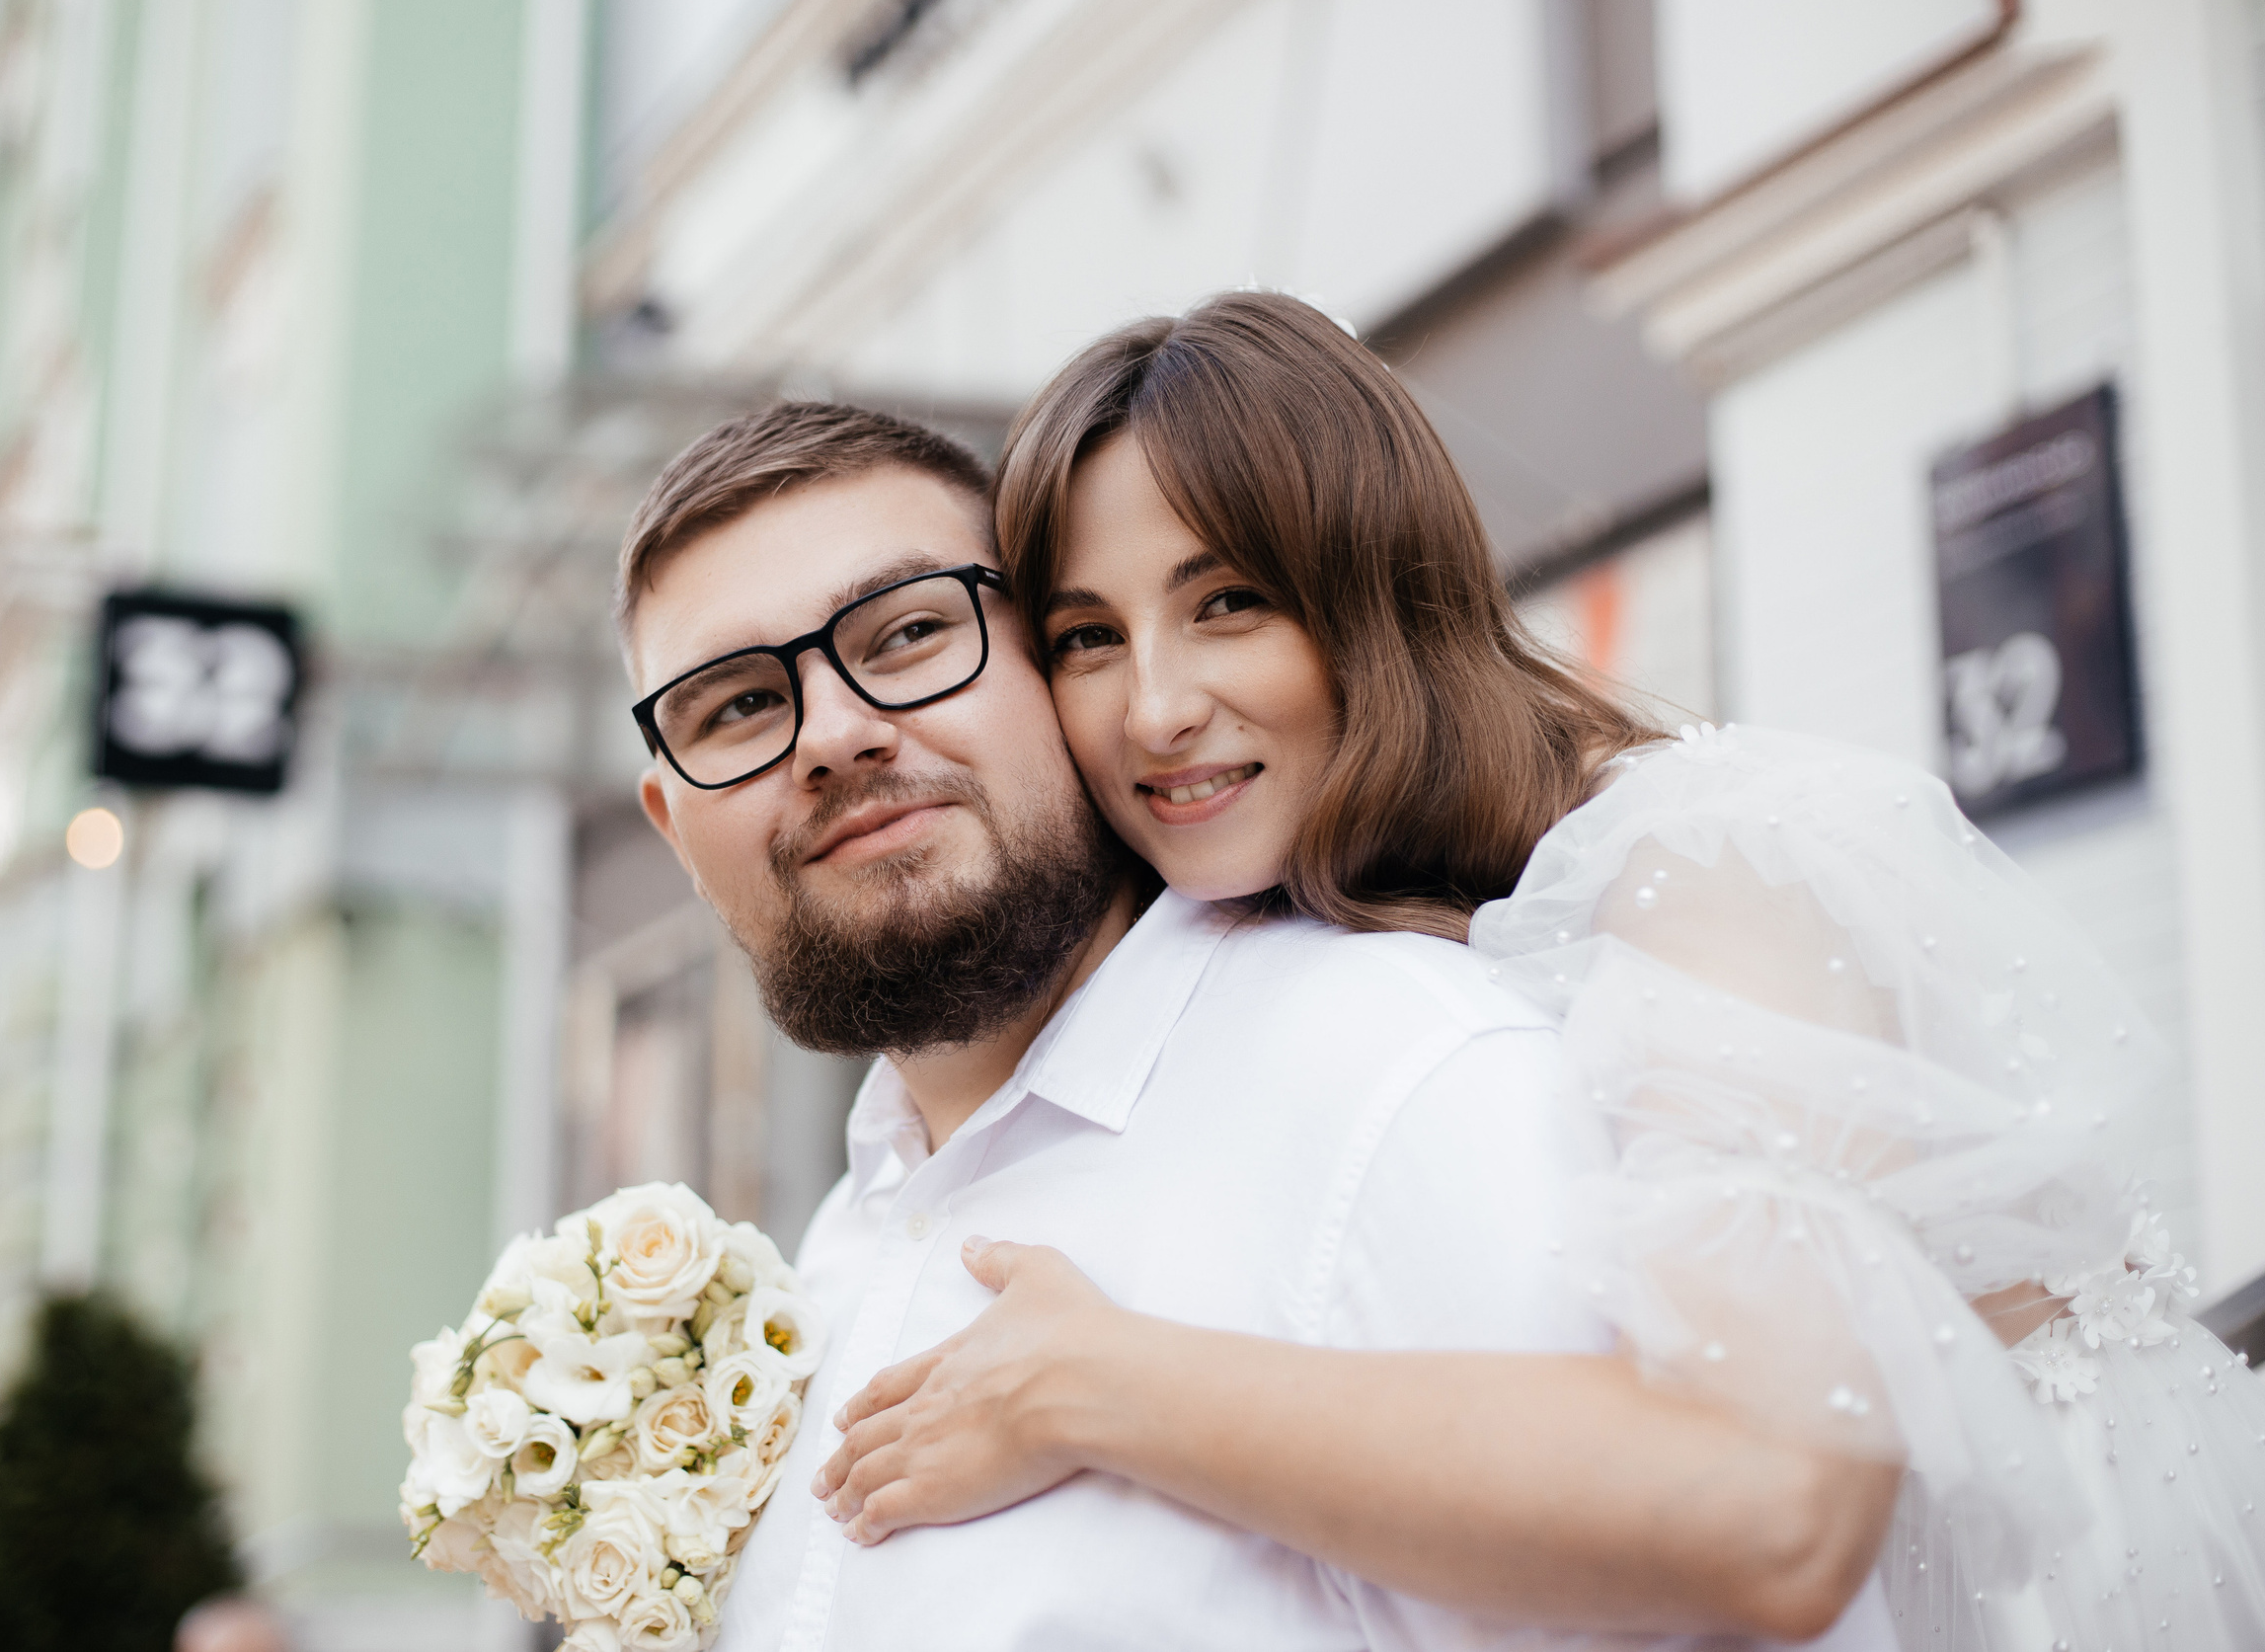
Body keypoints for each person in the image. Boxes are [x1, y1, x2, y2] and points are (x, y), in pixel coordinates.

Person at [809, 291, 2265, 1651]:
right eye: (1086, 639)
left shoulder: (1699, 871)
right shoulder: (1314, 923)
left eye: (1229, 603)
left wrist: (1102, 1385)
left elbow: (1783, 1516)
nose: (1159, 709)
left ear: (1372, 591)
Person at [617, 401, 1905, 1650]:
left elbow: (1754, 1543)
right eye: (734, 708)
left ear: (1037, 671)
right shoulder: (834, 1255)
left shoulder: (1396, 1069)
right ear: (673, 828)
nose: (834, 734)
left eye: (904, 634)